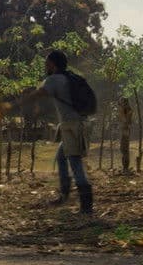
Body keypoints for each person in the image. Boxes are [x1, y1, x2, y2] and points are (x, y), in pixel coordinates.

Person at [10, 50, 93, 215]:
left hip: (72, 126)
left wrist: (12, 106)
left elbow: (37, 95)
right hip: (79, 124)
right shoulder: (71, 77)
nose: (45, 67)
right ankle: (65, 195)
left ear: (53, 65)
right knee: (61, 158)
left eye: (47, 64)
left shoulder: (54, 79)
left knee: (75, 163)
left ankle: (86, 205)